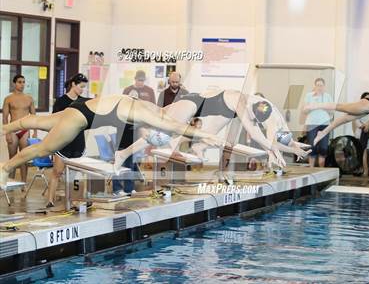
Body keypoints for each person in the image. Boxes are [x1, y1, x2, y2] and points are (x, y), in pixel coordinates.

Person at [0, 94, 224, 189]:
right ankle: (5, 167)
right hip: (81, 119)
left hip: (81, 108)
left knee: (38, 121)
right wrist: (206, 136)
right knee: (44, 148)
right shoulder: (147, 115)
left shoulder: (154, 109)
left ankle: (3, 128)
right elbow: (175, 127)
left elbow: (173, 125)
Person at [113, 89, 312, 172]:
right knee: (166, 130)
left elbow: (278, 138)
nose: (252, 120)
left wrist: (294, 148)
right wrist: (272, 150)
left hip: (215, 110)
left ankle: (196, 148)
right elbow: (255, 133)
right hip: (194, 101)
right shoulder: (241, 102)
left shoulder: (271, 116)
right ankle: (123, 152)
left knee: (197, 139)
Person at [46, 74, 89, 208]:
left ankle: (75, 200)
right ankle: (50, 200)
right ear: (73, 85)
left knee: (76, 174)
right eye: (81, 87)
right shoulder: (61, 101)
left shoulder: (84, 101)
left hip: (78, 142)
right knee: (57, 172)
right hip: (63, 142)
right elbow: (53, 123)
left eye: (84, 88)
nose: (83, 90)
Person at [114, 70, 156, 196]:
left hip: (134, 135)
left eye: (142, 80)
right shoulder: (123, 108)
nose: (140, 82)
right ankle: (117, 188)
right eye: (139, 80)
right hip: (122, 135)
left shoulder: (140, 109)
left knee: (131, 162)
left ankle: (129, 187)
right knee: (120, 160)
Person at [2, 74, 37, 187]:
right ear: (14, 83)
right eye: (19, 82)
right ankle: (11, 182)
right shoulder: (8, 99)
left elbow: (34, 117)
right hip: (13, 130)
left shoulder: (29, 98)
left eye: (23, 82)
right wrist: (6, 133)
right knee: (12, 158)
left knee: (24, 158)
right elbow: (4, 117)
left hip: (25, 131)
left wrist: (34, 132)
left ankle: (23, 183)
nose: (22, 84)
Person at [300, 78, 333, 167]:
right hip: (312, 124)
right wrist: (312, 106)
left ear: (324, 86)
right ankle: (311, 168)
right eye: (318, 85)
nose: (319, 87)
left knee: (323, 147)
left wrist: (323, 106)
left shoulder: (327, 96)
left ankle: (321, 170)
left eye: (321, 85)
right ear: (314, 86)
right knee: (312, 146)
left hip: (325, 124)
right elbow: (304, 110)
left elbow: (332, 111)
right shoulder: (309, 96)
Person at [352, 92, 369, 176]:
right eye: (366, 98)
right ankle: (363, 169)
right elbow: (356, 121)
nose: (368, 100)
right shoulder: (357, 109)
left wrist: (368, 126)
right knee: (363, 152)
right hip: (360, 133)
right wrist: (364, 127)